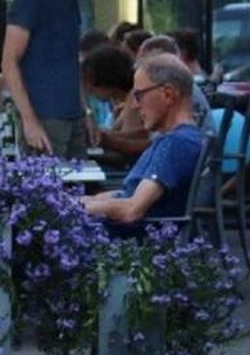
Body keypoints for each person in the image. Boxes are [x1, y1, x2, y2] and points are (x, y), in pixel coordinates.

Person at [81, 55, 205, 236]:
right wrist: (85, 201)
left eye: (139, 95)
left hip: (121, 243)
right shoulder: (178, 139)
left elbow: (132, 210)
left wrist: (74, 207)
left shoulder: (177, 143)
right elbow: (128, 195)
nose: (134, 104)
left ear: (168, 94)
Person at [2, 0, 92, 157]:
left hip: (73, 116)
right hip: (44, 116)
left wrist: (86, 111)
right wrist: (29, 120)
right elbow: (9, 61)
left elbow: (73, 60)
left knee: (79, 187)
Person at [82, 45, 149, 163]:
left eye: (92, 83)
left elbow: (136, 145)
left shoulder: (135, 99)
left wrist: (105, 140)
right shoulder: (125, 101)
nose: (90, 90)